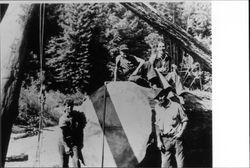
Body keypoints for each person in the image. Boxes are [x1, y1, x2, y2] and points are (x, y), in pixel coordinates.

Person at [154, 87, 188, 168]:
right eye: (157, 97)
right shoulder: (157, 107)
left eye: (161, 96)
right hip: (165, 140)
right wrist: (158, 140)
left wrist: (181, 133)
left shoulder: (176, 106)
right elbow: (157, 124)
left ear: (165, 95)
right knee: (165, 165)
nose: (159, 99)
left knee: (180, 163)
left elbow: (185, 120)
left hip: (176, 138)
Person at [58, 98, 87, 168]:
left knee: (76, 161)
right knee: (64, 163)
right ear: (65, 106)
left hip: (73, 142)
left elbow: (81, 128)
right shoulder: (63, 119)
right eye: (68, 106)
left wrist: (80, 142)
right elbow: (62, 135)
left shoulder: (76, 115)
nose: (69, 107)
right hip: (63, 142)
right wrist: (66, 146)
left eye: (71, 106)